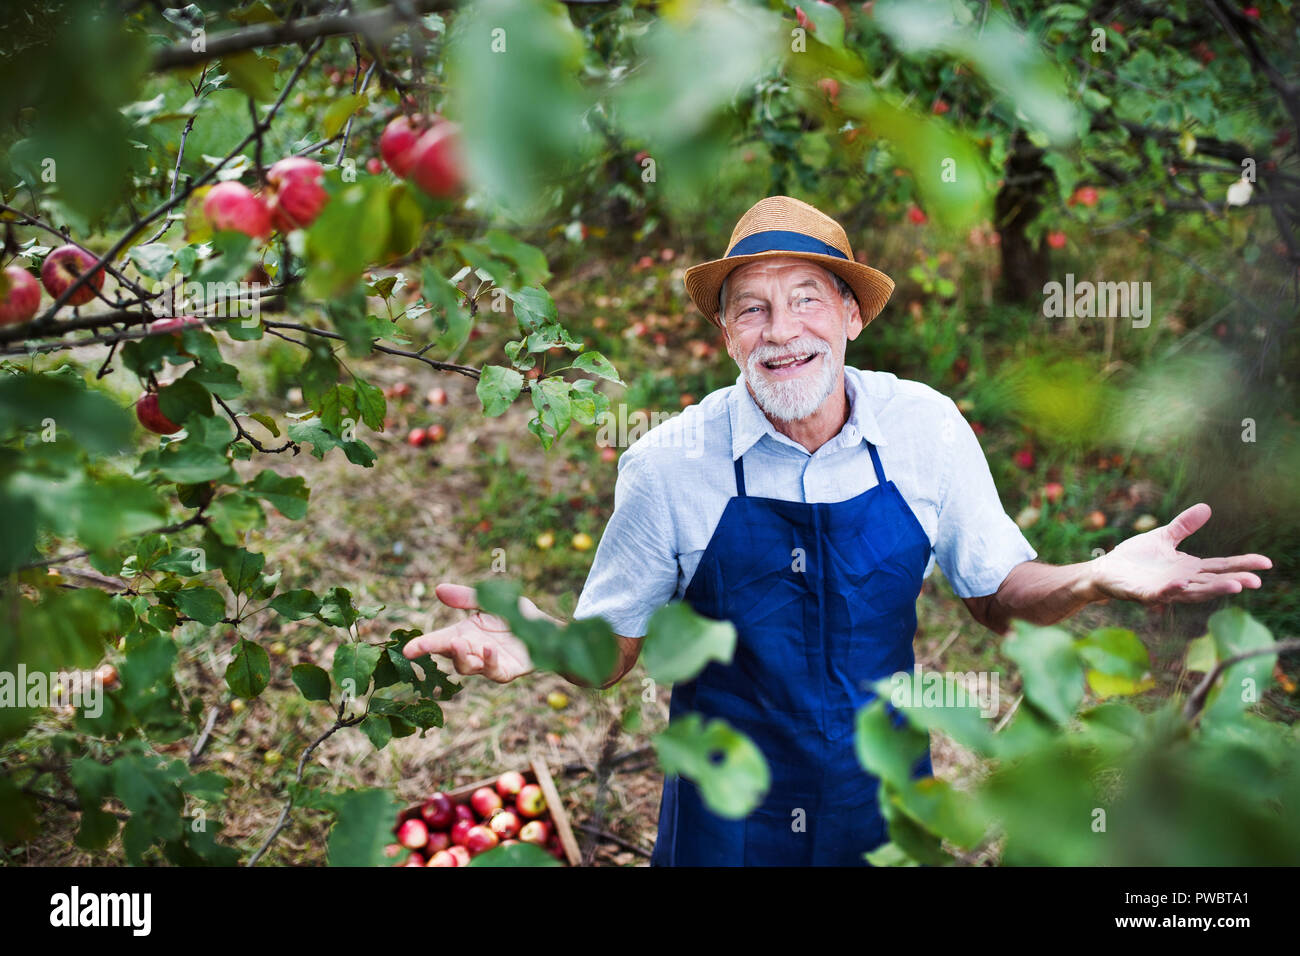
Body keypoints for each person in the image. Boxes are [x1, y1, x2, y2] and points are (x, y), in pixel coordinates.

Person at [403, 195, 1273, 866]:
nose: (782, 333)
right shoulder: (670, 464)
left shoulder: (924, 429)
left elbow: (1000, 595)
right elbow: (612, 651)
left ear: (853, 316)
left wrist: (1093, 575)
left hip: (881, 799)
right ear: (725, 335)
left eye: (807, 300)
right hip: (724, 821)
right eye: (751, 310)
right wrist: (539, 640)